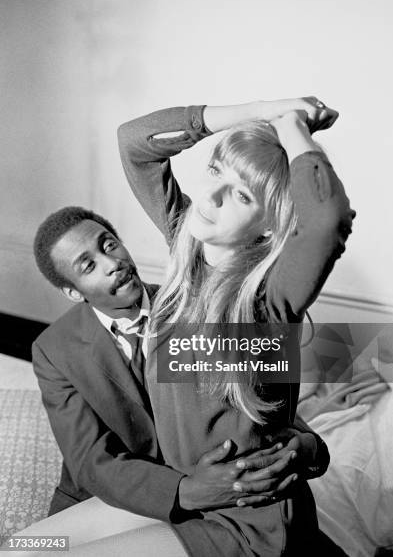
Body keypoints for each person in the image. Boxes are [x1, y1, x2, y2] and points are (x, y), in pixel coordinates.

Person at [113, 97, 355, 556]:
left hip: (246, 523)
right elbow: (134, 142)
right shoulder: (186, 245)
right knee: (30, 546)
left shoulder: (268, 300)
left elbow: (327, 219)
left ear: (270, 224)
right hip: (188, 494)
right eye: (216, 170)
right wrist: (264, 110)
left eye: (243, 194)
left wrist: (291, 126)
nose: (213, 196)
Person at [28, 205, 323, 555]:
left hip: (222, 501)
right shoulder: (54, 349)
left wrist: (309, 447)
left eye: (109, 245)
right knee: (24, 548)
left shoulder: (200, 309)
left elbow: (264, 401)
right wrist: (187, 490)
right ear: (74, 292)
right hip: (128, 493)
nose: (112, 264)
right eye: (88, 265)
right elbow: (91, 461)